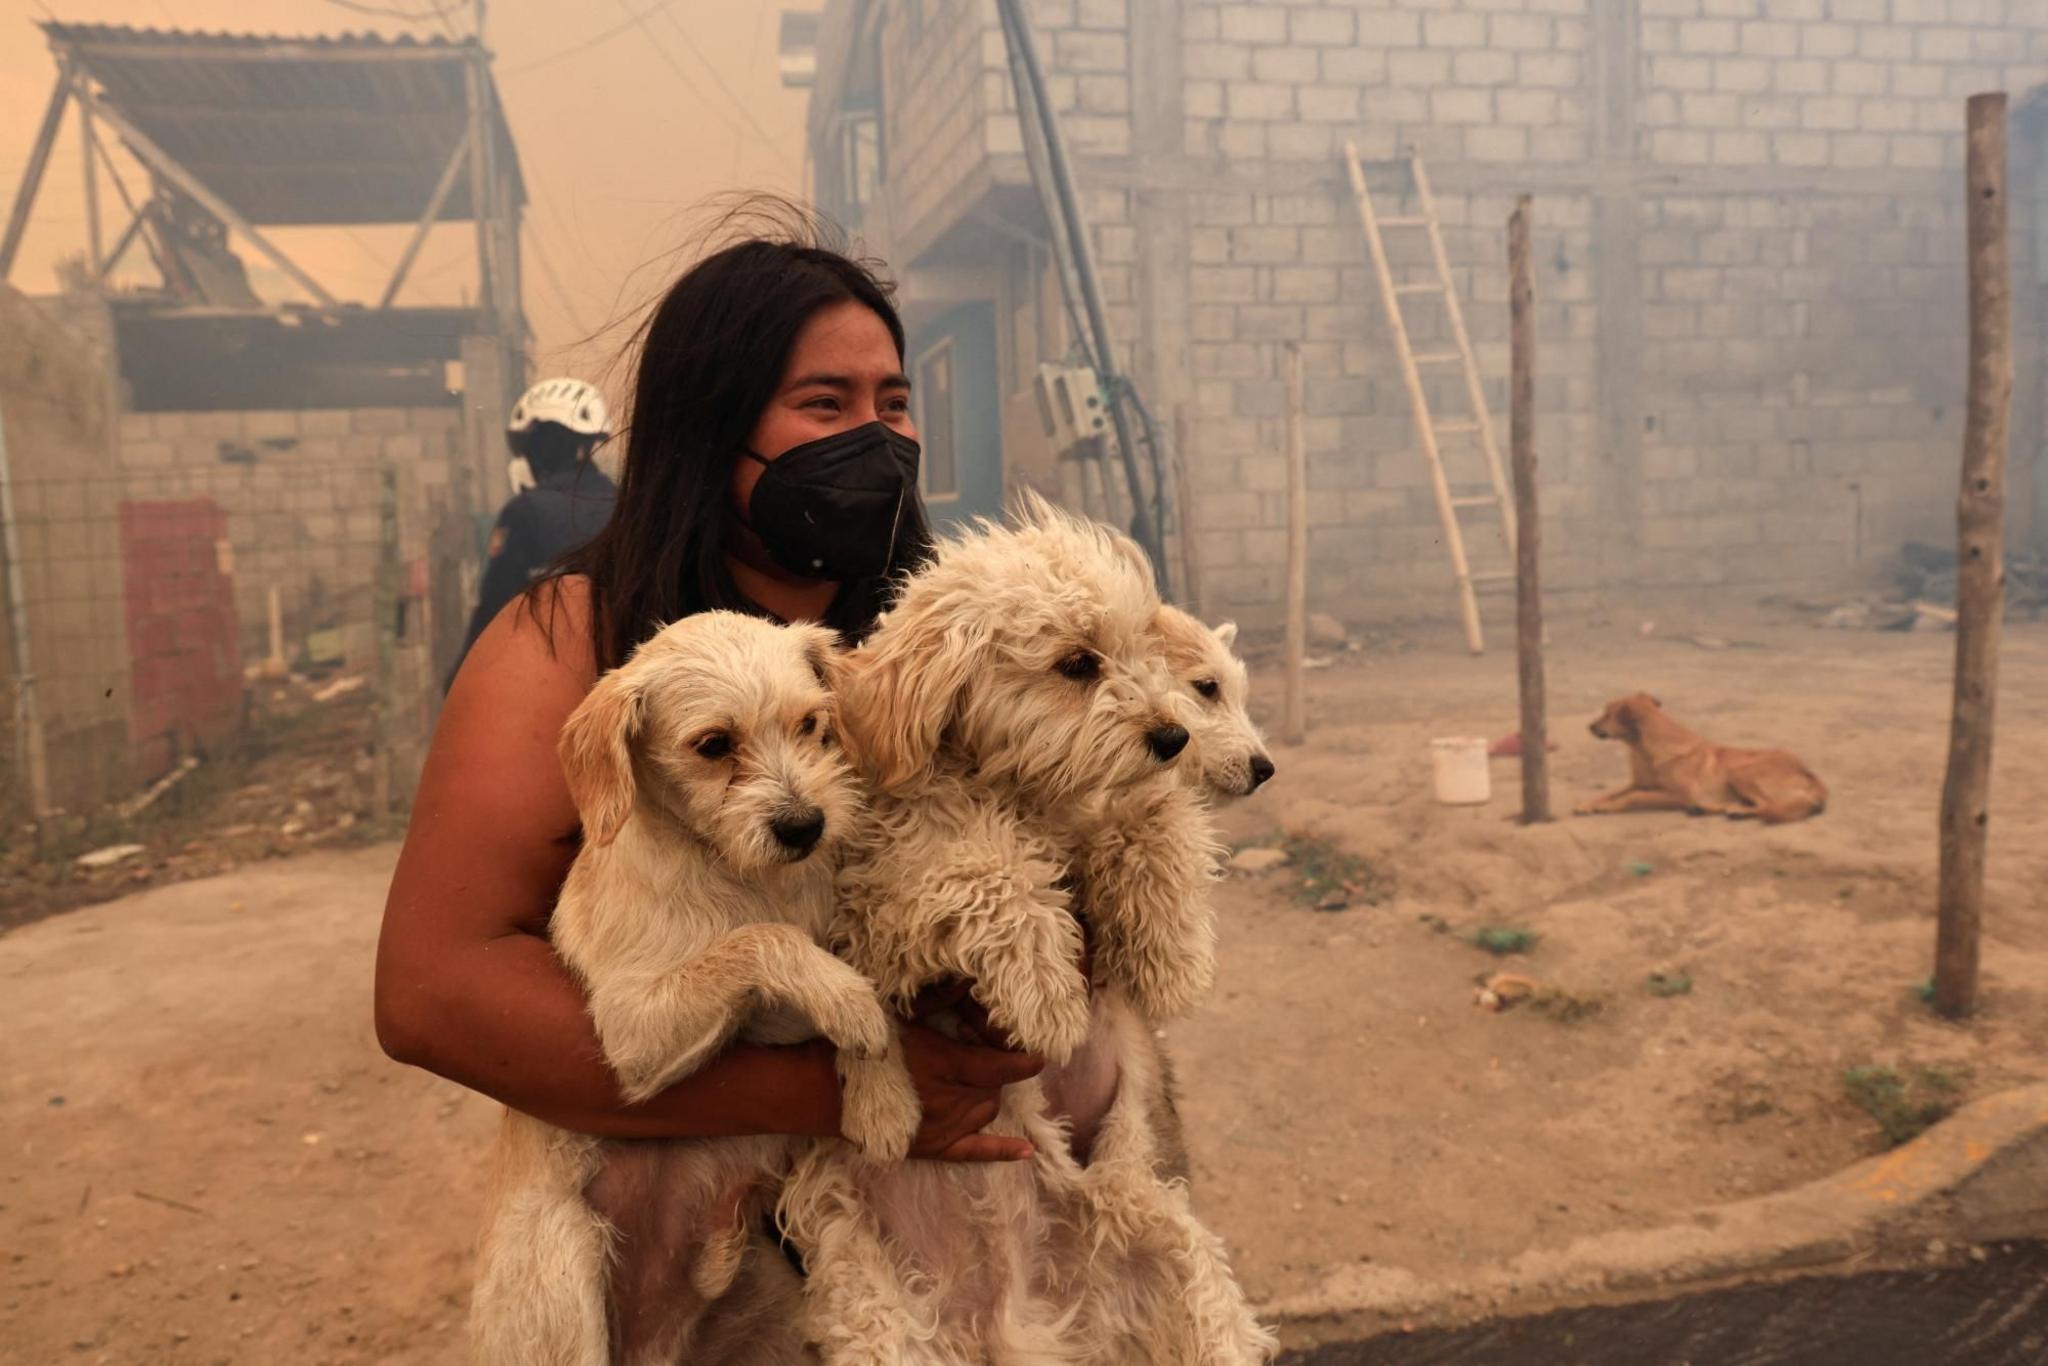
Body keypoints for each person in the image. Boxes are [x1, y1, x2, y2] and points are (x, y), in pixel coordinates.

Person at [375, 217, 1058, 1214]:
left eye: (894, 402)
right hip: (687, 1208)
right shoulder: (566, 637)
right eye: (823, 403)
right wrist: (831, 1090)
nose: (876, 436)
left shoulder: (925, 639)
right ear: (707, 426)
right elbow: (434, 993)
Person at [449, 377, 619, 681]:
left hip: (549, 677)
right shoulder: (627, 504)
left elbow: (495, 604)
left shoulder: (526, 512)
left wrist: (458, 679)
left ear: (535, 449)